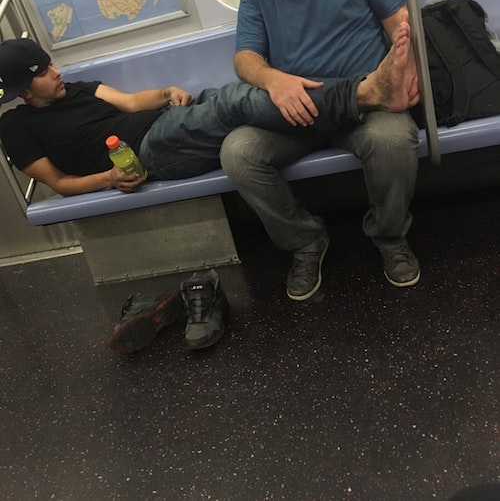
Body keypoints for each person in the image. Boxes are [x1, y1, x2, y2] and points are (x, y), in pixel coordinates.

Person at [0, 31, 416, 351]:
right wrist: (109, 179)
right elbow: (59, 183)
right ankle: (364, 95)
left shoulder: (72, 90)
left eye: (49, 64)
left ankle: (358, 105)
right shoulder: (15, 127)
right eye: (41, 72)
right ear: (22, 89)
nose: (55, 72)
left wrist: (164, 93)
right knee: (235, 104)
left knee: (234, 101)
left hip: (169, 120)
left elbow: (129, 103)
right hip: (150, 152)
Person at [219, 0, 421, 303]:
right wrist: (275, 79)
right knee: (237, 152)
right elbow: (245, 60)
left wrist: (408, 70)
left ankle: (389, 238)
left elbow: (399, 23)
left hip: (371, 109)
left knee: (392, 141)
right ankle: (306, 241)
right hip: (298, 113)